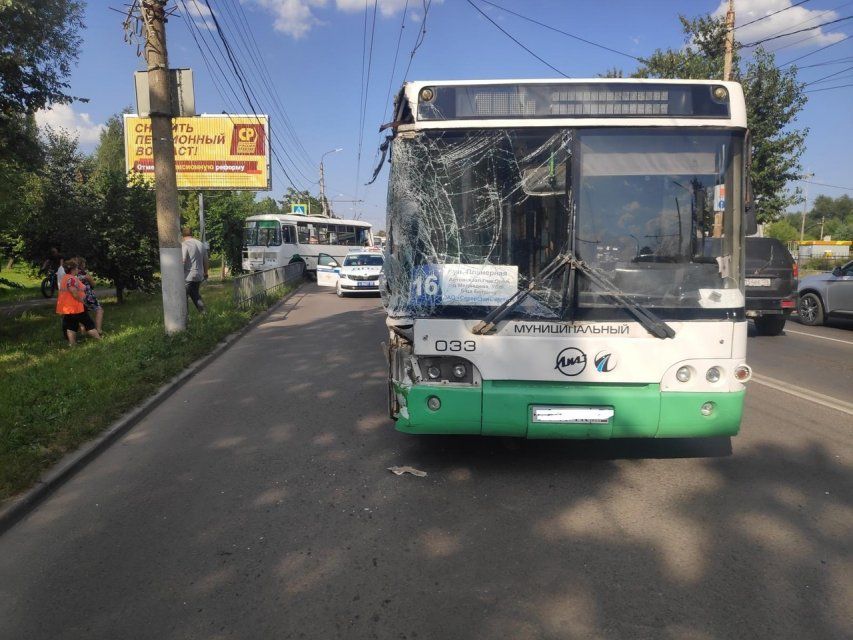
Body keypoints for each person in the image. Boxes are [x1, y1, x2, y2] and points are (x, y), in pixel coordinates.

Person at [56, 258, 101, 345]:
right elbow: (74, 293)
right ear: (72, 270)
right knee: (89, 324)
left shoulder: (65, 278)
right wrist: (82, 301)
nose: (78, 270)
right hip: (76, 307)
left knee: (71, 326)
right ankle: (99, 339)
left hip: (68, 308)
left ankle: (72, 343)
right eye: (76, 268)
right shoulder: (71, 279)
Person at [181, 226, 208, 313]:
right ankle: (204, 314)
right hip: (199, 275)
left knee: (183, 298)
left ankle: (184, 319)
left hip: (188, 276)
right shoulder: (200, 244)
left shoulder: (185, 244)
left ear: (182, 235)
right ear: (191, 233)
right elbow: (206, 260)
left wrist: (177, 273)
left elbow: (183, 260)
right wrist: (206, 273)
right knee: (195, 295)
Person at [76, 257, 104, 334]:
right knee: (99, 310)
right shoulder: (85, 275)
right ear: (82, 265)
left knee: (82, 314)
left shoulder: (73, 275)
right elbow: (93, 284)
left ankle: (83, 331)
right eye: (84, 263)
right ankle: (98, 330)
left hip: (78, 297)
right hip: (89, 297)